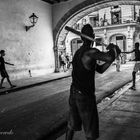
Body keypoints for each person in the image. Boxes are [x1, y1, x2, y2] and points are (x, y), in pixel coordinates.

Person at [65, 24, 121, 140]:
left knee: (71, 125)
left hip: (74, 93)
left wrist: (113, 55)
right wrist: (113, 50)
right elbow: (109, 57)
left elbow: (100, 69)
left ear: (81, 38)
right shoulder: (91, 52)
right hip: (85, 96)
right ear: (93, 36)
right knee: (91, 131)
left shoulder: (78, 53)